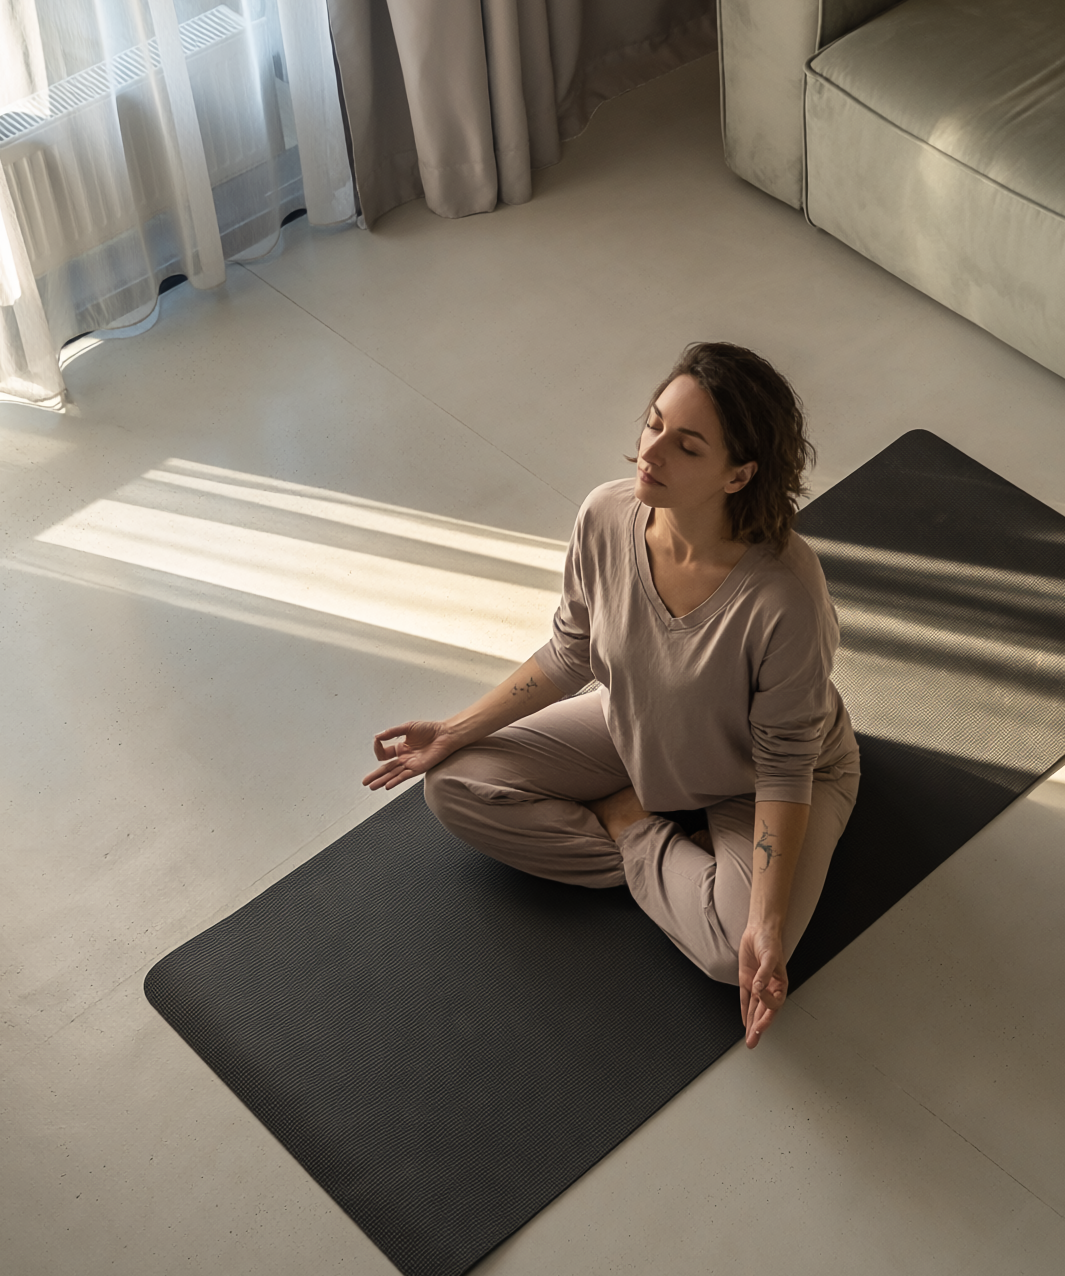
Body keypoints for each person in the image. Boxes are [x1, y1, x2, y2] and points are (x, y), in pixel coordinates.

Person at [364, 342, 860, 1049]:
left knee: (732, 953)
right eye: (654, 424)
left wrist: (767, 924)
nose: (651, 453)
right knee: (454, 785)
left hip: (765, 777)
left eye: (687, 446)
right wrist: (454, 730)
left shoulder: (785, 594)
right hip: (639, 730)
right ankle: (667, 854)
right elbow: (571, 652)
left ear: (739, 475)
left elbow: (784, 762)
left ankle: (633, 826)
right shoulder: (605, 515)